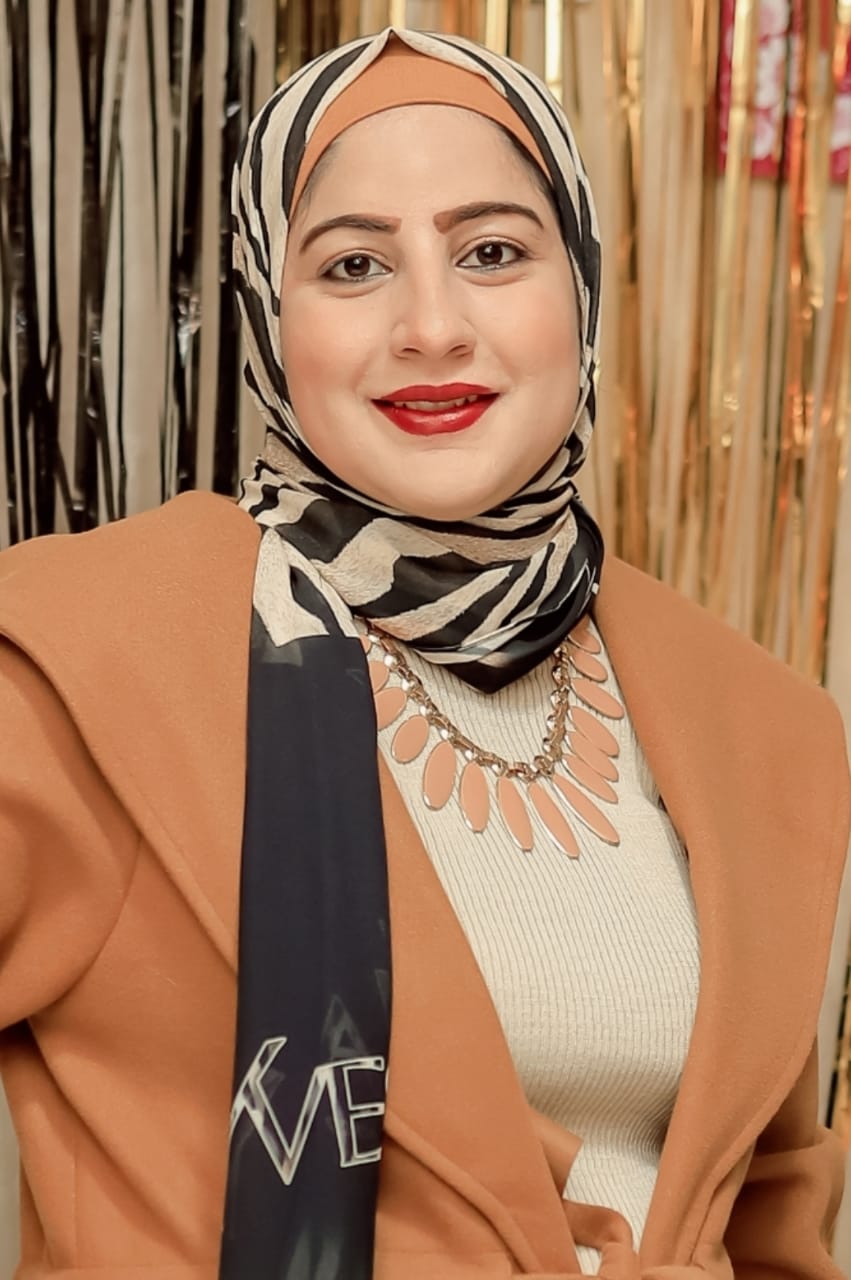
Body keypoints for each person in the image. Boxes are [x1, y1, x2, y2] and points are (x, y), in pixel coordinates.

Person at [0, 25, 848, 1280]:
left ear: (580, 282)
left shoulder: (756, 715)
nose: (432, 325)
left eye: (491, 251)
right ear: (267, 309)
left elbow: (773, 1208)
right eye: (352, 265)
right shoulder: (85, 655)